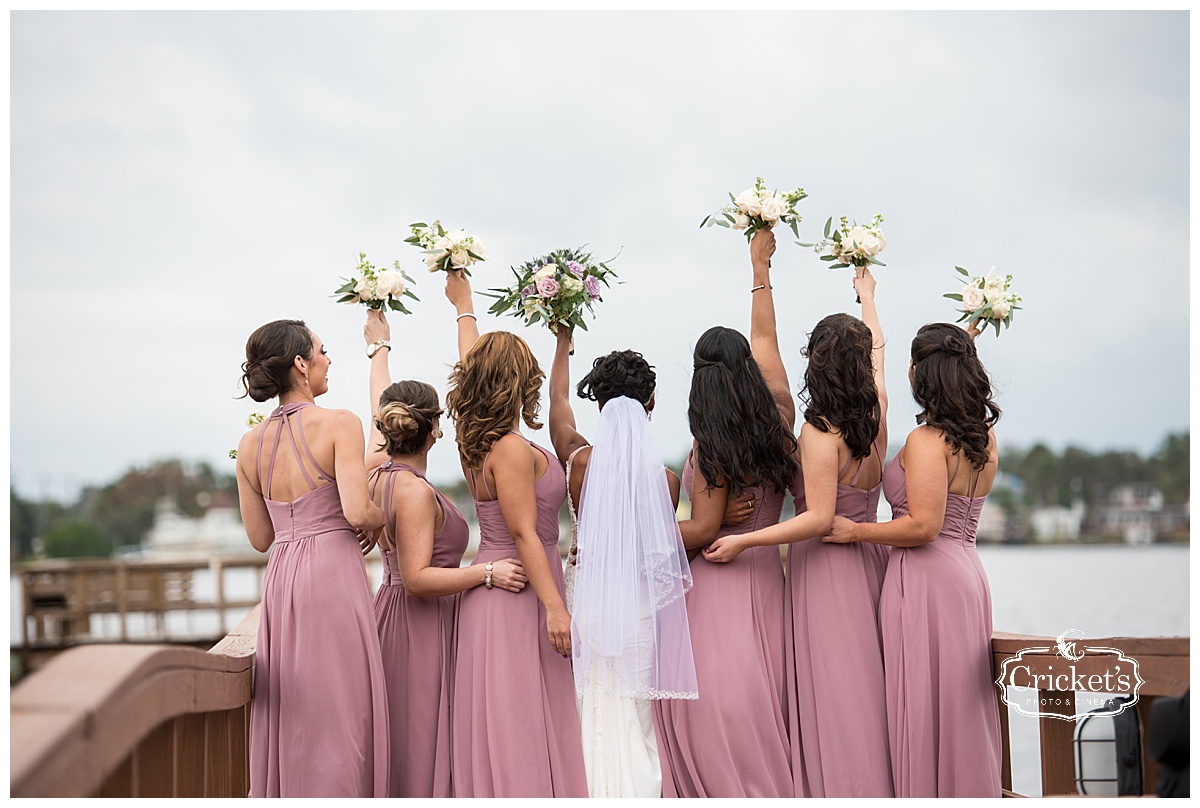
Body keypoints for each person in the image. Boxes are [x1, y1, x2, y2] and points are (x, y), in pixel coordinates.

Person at [705, 265, 893, 797]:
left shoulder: (818, 431)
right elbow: (878, 355)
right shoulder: (876, 412)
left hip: (827, 570)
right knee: (866, 687)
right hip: (871, 561)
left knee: (836, 695)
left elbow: (817, 518)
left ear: (817, 364)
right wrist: (868, 300)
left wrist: (744, 539)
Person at [826, 321, 1003, 797]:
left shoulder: (927, 441)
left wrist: (854, 531)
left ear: (923, 376)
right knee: (959, 706)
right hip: (966, 572)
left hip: (926, 578)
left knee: (928, 705)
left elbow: (923, 526)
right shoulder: (982, 440)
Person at [653, 229, 797, 798]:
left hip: (718, 583)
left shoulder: (711, 446)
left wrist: (640, 531)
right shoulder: (780, 419)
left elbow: (706, 529)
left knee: (715, 720)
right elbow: (768, 337)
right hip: (769, 580)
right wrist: (760, 268)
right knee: (766, 708)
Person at [360, 309, 526, 797]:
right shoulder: (411, 491)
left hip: (396, 616)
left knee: (408, 735)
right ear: (432, 430)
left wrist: (379, 350)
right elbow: (417, 577)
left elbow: (380, 401)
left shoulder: (376, 472)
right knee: (418, 741)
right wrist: (487, 573)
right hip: (418, 624)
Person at [443, 271, 588, 797]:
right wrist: (555, 608)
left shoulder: (473, 440)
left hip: (504, 593)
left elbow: (469, 362)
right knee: (520, 723)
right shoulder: (505, 448)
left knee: (508, 718)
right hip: (522, 592)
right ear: (513, 383)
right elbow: (526, 534)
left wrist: (464, 306)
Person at [233, 318, 389, 798]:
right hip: (331, 571)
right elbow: (357, 509)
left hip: (283, 578)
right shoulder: (340, 423)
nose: (327, 358)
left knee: (296, 707)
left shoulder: (249, 445)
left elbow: (261, 538)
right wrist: (381, 520)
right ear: (301, 365)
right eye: (322, 350)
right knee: (344, 708)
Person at [548, 329, 697, 797]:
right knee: (636, 711)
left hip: (586, 597)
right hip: (636, 607)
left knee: (587, 704)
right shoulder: (665, 481)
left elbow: (558, 415)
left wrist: (561, 344)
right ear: (650, 403)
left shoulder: (578, 464)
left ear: (599, 405)